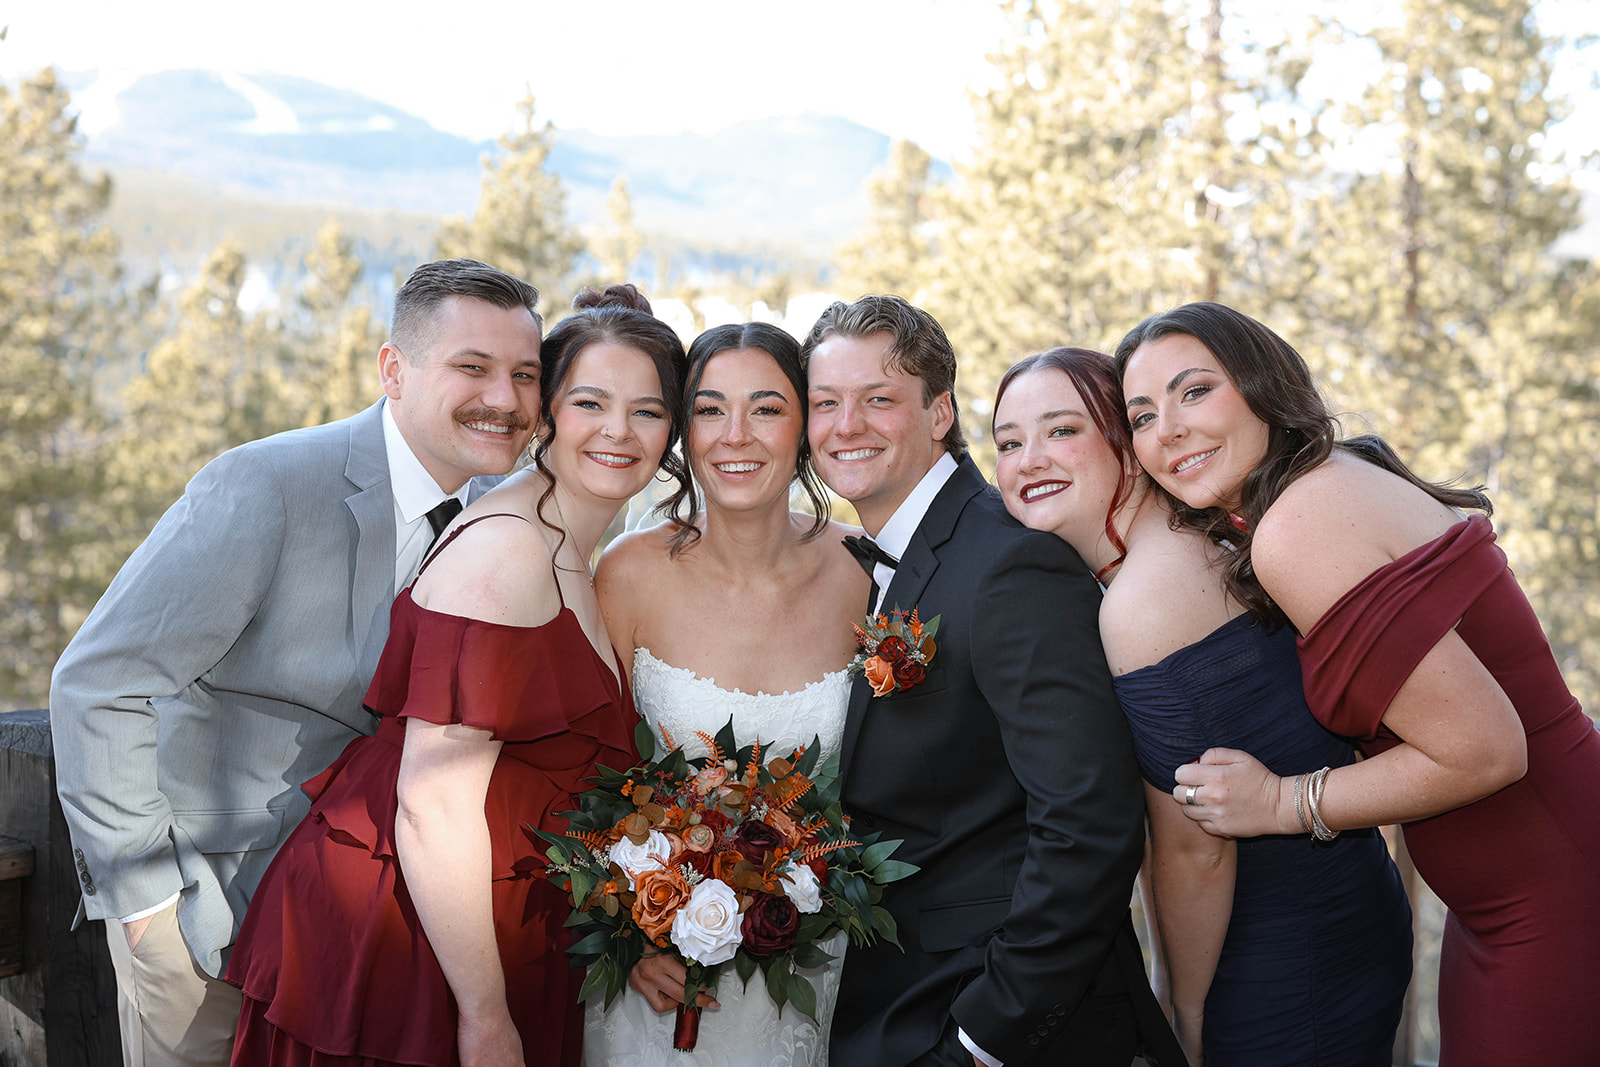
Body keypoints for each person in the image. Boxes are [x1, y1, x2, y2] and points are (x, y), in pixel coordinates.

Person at [49, 258, 543, 1067]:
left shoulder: (502, 515)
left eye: (524, 374)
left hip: (373, 931)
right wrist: (149, 908)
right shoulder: (268, 484)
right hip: (218, 918)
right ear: (394, 368)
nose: (506, 398)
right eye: (473, 367)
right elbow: (100, 681)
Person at [1115, 302, 1600, 1067]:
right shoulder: (1326, 480)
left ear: (1262, 384)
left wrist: (1281, 801)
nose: (1167, 428)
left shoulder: (1299, 523)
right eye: (1141, 415)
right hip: (1515, 897)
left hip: (1557, 894)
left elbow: (1486, 750)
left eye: (1194, 391)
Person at [223, 285, 687, 1067]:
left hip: (497, 929)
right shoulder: (506, 553)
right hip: (409, 942)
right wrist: (483, 1017)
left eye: (647, 409)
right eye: (590, 402)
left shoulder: (576, 544)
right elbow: (433, 804)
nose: (619, 430)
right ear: (545, 412)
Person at [991, 347, 1411, 1065]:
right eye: (1007, 442)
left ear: (1126, 444)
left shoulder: (1145, 601)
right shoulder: (1192, 539)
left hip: (1275, 950)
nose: (1029, 458)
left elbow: (1195, 846)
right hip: (1336, 908)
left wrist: (1183, 1005)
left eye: (1062, 430)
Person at [801, 295, 1184, 1067]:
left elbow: (1089, 821)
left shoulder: (1010, 560)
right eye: (825, 403)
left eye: (879, 399)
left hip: (994, 1016)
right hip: (897, 1002)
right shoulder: (891, 554)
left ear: (940, 411)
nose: (847, 425)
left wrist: (985, 1034)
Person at [585, 321, 867, 1066]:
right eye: (710, 410)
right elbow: (592, 770)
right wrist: (627, 933)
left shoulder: (863, 573)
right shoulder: (628, 572)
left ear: (805, 426)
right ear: (684, 430)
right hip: (657, 980)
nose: (735, 435)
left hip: (809, 965)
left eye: (766, 408)